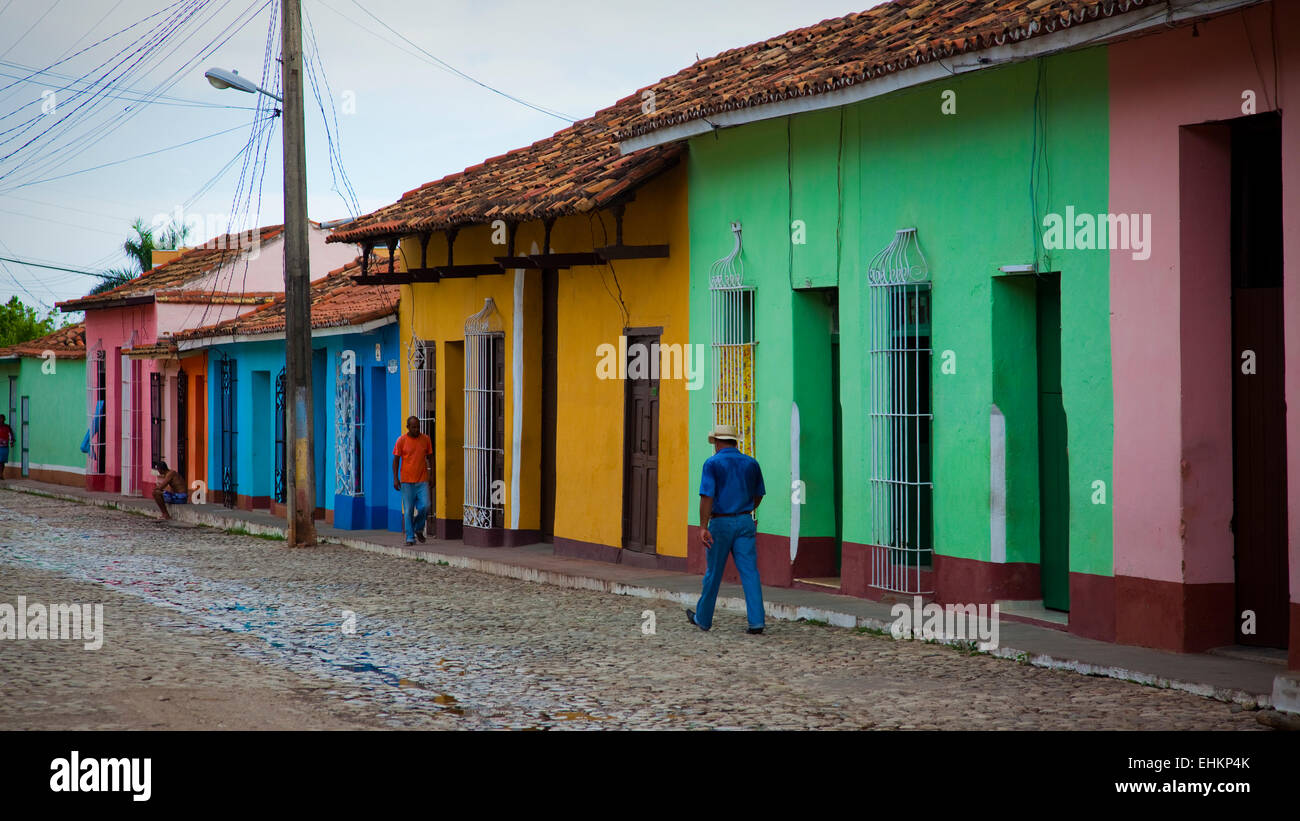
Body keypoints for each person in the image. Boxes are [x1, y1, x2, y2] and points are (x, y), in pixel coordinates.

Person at [687, 423, 767, 635]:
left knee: (714, 572)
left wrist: (703, 526)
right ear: (734, 441)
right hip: (744, 520)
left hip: (720, 522)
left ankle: (703, 618)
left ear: (717, 442)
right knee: (750, 572)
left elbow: (707, 496)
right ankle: (757, 621)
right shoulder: (751, 463)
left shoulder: (712, 463)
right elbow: (759, 494)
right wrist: (744, 510)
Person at [393, 415, 434, 546]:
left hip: (422, 480)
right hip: (406, 481)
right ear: (408, 427)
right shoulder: (401, 441)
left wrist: (432, 475)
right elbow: (396, 460)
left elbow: (431, 457)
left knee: (426, 505)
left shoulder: (425, 439)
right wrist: (395, 478)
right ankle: (410, 537)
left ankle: (418, 527)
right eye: (414, 427)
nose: (416, 429)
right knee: (409, 509)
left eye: (418, 427)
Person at [0, 414, 12, 479]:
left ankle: (1, 474)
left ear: (4, 419)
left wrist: (11, 442)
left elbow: (10, 435)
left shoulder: (7, 427)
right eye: (0, 419)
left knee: (2, 461)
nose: (1, 420)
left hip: (5, 446)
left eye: (2, 419)